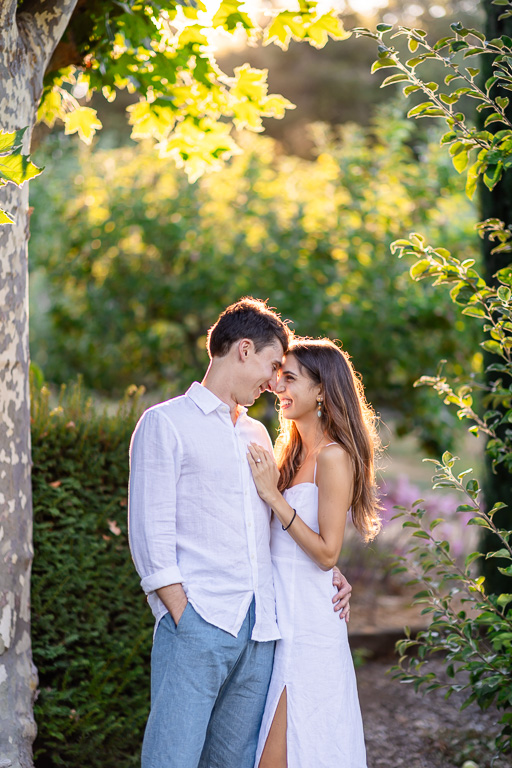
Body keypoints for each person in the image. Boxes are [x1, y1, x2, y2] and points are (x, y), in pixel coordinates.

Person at [128, 298, 352, 768]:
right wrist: (182, 615)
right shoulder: (166, 423)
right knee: (173, 758)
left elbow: (275, 523)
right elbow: (149, 535)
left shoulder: (257, 434)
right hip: (200, 623)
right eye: (273, 367)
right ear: (244, 350)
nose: (274, 383)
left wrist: (331, 572)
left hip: (263, 631)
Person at [247, 337, 382, 768]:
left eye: (289, 378)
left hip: (308, 625)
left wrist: (273, 496)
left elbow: (325, 552)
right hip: (277, 616)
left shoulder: (333, 457)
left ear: (321, 390)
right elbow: (298, 546)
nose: (277, 386)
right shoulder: (288, 453)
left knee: (294, 751)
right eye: (277, 375)